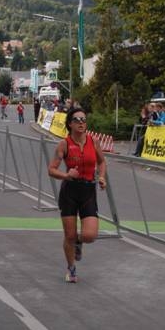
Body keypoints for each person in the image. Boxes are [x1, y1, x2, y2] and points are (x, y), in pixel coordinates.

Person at [48, 107, 107, 283]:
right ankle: (71, 268)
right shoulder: (64, 144)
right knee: (69, 235)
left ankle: (79, 242)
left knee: (90, 235)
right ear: (70, 124)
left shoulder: (93, 141)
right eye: (77, 120)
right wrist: (66, 175)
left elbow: (102, 161)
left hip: (88, 191)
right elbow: (51, 169)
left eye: (83, 119)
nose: (81, 122)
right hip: (70, 192)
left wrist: (102, 177)